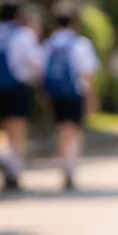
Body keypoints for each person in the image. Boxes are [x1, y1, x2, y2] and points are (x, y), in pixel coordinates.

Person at [0, 2, 43, 190]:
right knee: (18, 129)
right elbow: (35, 63)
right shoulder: (22, 34)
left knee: (4, 127)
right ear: (16, 15)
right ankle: (14, 170)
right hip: (17, 86)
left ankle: (4, 155)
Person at [41, 11, 100, 191]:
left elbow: (41, 71)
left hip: (56, 94)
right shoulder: (80, 43)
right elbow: (87, 73)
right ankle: (71, 167)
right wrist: (92, 98)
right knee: (74, 130)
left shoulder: (49, 44)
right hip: (75, 93)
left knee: (61, 130)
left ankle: (63, 165)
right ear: (73, 24)